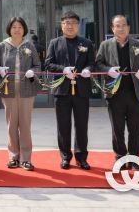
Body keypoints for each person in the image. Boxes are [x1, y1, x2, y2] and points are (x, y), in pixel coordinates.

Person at [95, 15, 139, 170]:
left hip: (134, 94)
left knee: (134, 130)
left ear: (129, 27)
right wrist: (108, 70)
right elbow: (98, 63)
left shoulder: (138, 44)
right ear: (112, 28)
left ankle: (134, 160)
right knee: (117, 129)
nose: (121, 28)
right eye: (117, 25)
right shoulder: (105, 45)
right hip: (115, 94)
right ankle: (120, 158)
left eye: (124, 25)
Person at [43, 11, 95, 170]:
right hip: (62, 91)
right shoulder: (55, 43)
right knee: (63, 126)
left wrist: (87, 69)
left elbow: (92, 63)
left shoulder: (87, 43)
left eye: (73, 23)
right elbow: (48, 64)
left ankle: (81, 157)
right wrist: (63, 69)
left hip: (81, 90)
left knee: (82, 125)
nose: (70, 26)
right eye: (67, 23)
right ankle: (65, 156)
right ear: (62, 25)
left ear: (78, 25)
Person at [0, 16, 42, 171]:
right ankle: (13, 156)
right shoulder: (2, 46)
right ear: (9, 29)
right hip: (8, 90)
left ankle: (26, 159)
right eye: (14, 27)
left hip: (27, 90)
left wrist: (32, 72)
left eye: (20, 27)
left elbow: (37, 65)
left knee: (25, 125)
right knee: (11, 125)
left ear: (24, 29)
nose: (17, 30)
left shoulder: (29, 45)